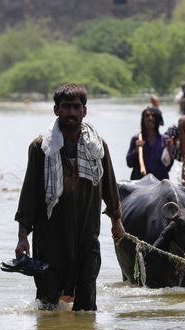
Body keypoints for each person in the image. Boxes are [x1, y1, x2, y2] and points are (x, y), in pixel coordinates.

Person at [14, 83, 126, 311]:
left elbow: (109, 187)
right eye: (66, 107)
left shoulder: (98, 147)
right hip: (50, 240)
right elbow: (29, 195)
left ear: (85, 111)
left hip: (87, 238)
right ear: (56, 110)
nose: (72, 113)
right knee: (48, 306)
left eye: (77, 107)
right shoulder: (41, 148)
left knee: (87, 308)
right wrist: (22, 237)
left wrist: (117, 222)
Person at [126, 106, 173, 180]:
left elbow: (168, 166)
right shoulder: (136, 139)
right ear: (143, 119)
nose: (150, 118)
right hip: (140, 181)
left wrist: (169, 151)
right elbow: (129, 163)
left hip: (160, 182)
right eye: (147, 116)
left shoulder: (165, 140)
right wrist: (136, 151)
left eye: (153, 116)